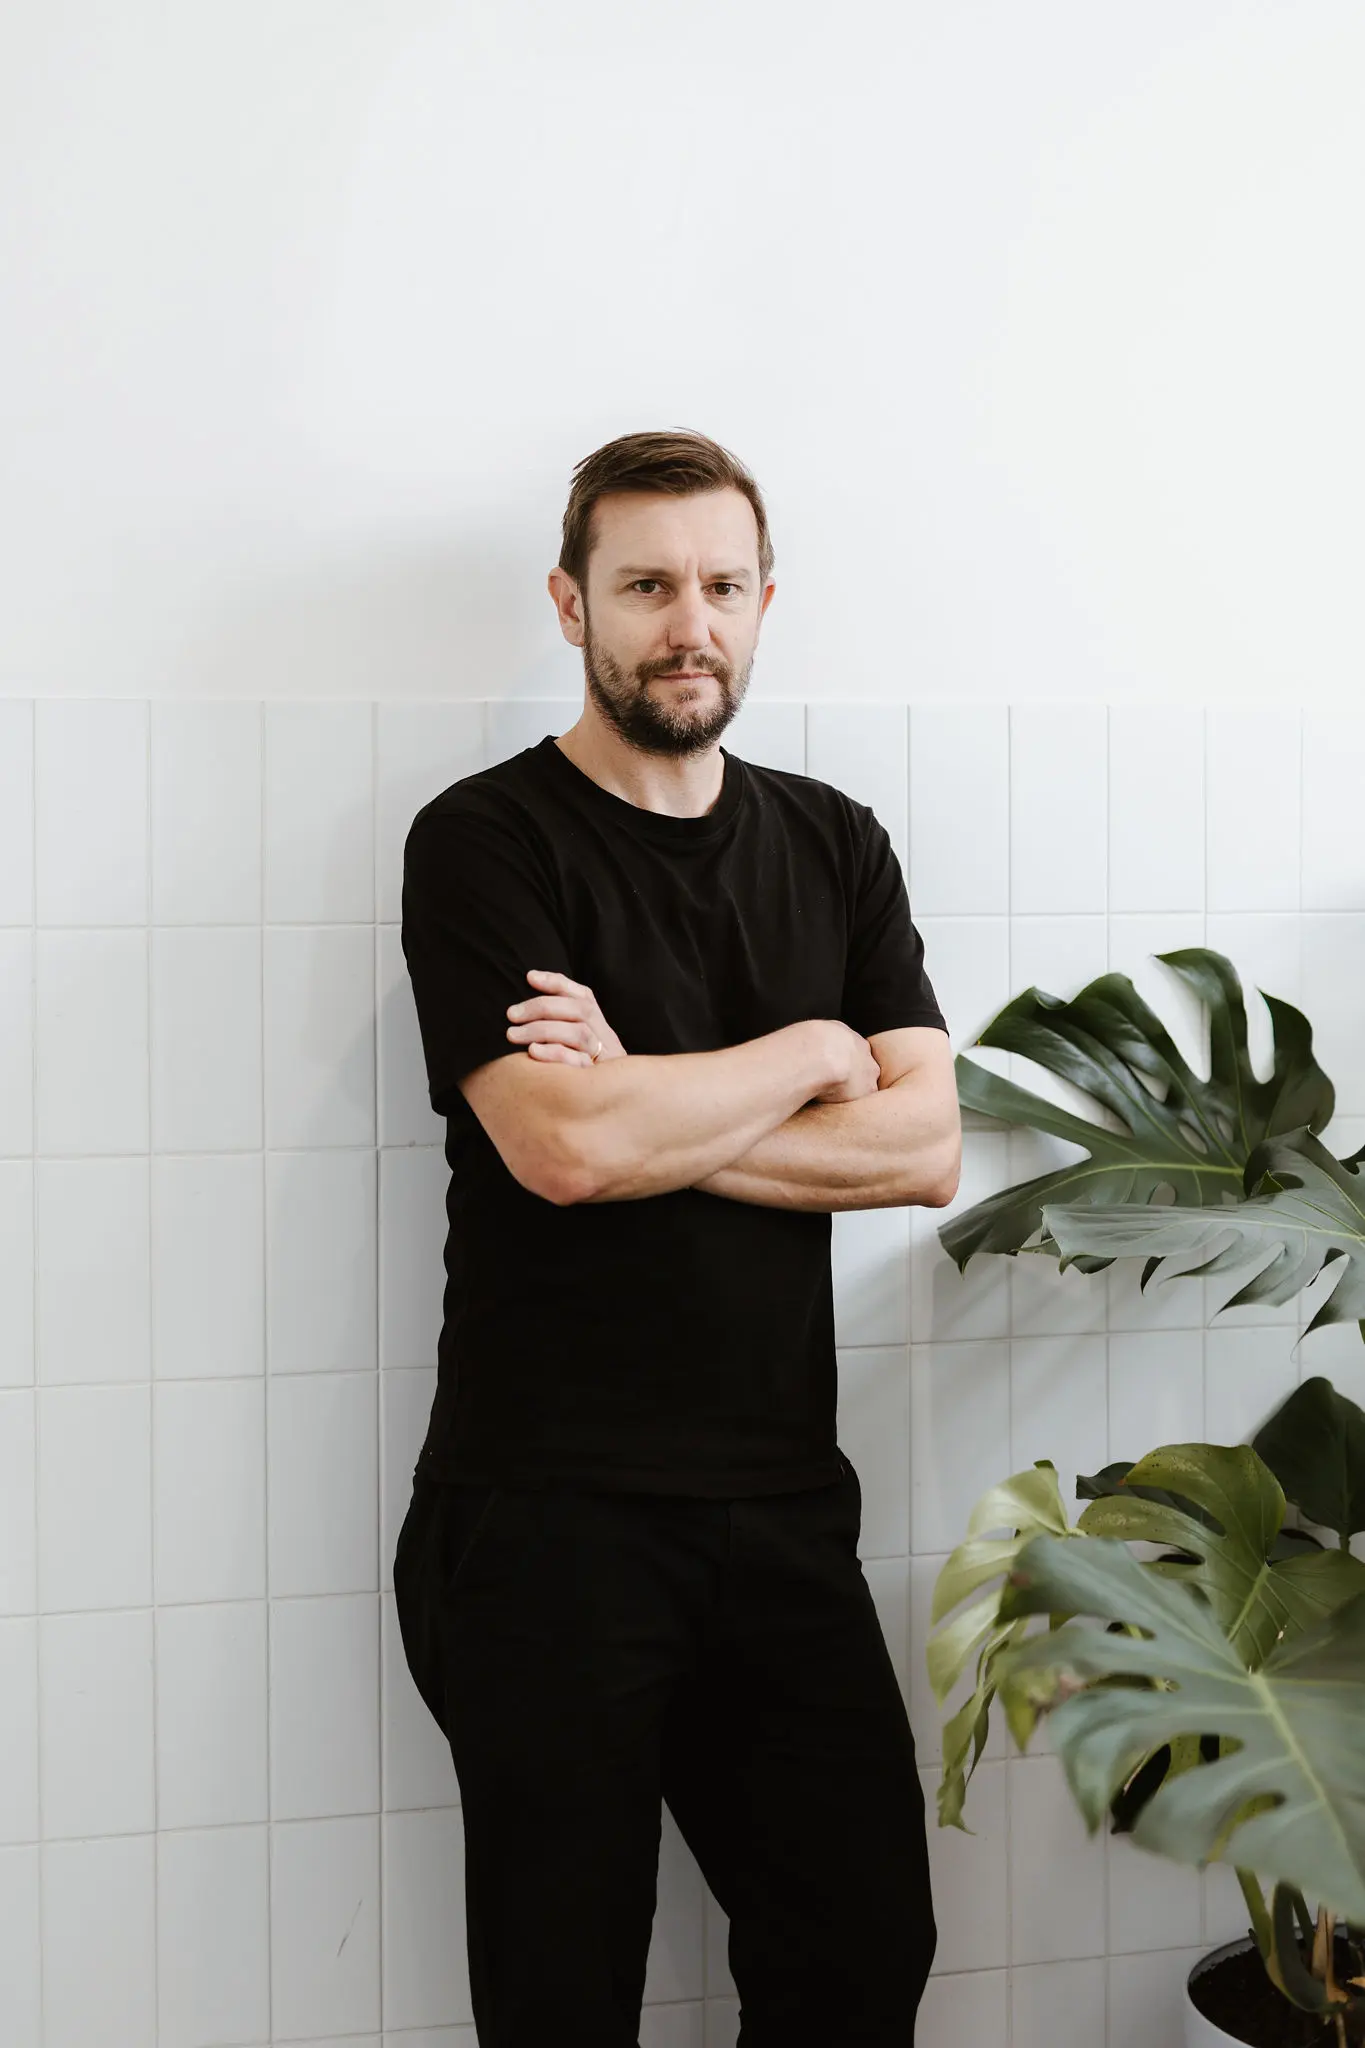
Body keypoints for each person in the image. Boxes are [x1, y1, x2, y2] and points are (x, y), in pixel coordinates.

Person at [395, 427, 962, 2046]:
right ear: (572, 606)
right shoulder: (486, 842)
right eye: (646, 585)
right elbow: (561, 1152)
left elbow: (923, 1145)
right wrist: (803, 1055)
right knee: (564, 1997)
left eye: (720, 585)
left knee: (860, 1956)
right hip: (544, 1522)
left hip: (782, 1511)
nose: (686, 622)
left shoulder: (834, 842)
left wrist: (649, 1097)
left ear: (766, 600)